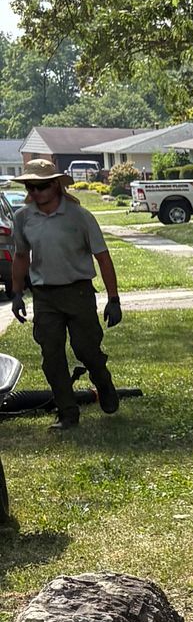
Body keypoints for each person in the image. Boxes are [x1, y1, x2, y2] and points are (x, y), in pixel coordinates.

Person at [8, 158, 123, 427]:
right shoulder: (23, 217)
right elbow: (22, 256)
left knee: (87, 350)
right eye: (30, 188)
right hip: (45, 296)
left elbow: (103, 258)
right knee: (52, 358)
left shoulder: (79, 217)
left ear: (57, 185)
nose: (35, 193)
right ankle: (67, 412)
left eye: (41, 186)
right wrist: (16, 293)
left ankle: (103, 382)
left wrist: (113, 299)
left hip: (78, 293)